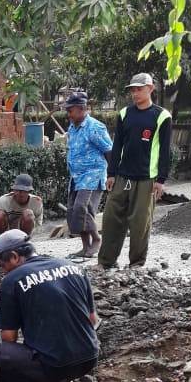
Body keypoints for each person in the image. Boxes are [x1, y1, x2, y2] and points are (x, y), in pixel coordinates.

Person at [0, 229, 99, 382]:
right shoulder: (74, 267)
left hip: (55, 366)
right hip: (89, 358)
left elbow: (9, 338)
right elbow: (92, 320)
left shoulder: (13, 280)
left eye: (2, 265)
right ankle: (63, 377)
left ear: (15, 257)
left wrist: (13, 375)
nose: (3, 271)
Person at [98, 72, 172, 270]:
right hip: (122, 176)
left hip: (147, 179)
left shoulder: (162, 116)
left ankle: (137, 264)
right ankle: (106, 261)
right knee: (112, 218)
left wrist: (161, 180)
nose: (135, 93)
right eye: (132, 90)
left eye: (139, 89)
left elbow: (165, 150)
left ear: (150, 89)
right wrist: (111, 173)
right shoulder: (125, 114)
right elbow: (117, 145)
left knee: (140, 224)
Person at [64, 91, 112, 260]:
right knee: (73, 211)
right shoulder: (72, 127)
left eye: (71, 110)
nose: (68, 113)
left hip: (93, 175)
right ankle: (85, 247)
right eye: (67, 110)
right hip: (76, 176)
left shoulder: (95, 127)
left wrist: (112, 175)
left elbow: (109, 150)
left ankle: (97, 239)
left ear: (83, 108)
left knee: (82, 208)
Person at [0, 173, 43, 245]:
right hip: (4, 232)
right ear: (14, 190)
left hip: (22, 234)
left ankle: (24, 242)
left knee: (28, 213)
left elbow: (38, 224)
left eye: (24, 191)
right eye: (18, 190)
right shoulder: (4, 200)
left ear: (29, 191)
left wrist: (31, 236)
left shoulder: (36, 202)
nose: (20, 193)